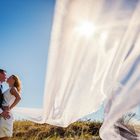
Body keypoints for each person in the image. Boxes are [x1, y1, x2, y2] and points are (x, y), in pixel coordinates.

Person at [0, 75, 21, 140]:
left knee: (4, 135)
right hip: (3, 114)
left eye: (10, 77)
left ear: (13, 80)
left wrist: (9, 108)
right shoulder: (9, 89)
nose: (7, 77)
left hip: (6, 115)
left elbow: (19, 98)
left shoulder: (13, 88)